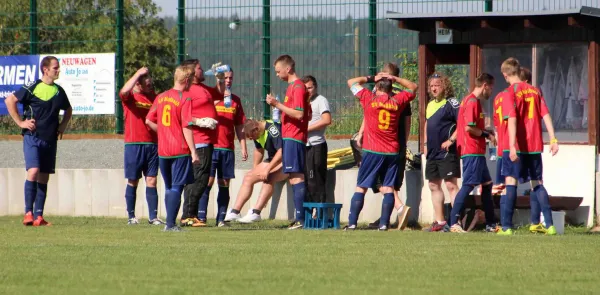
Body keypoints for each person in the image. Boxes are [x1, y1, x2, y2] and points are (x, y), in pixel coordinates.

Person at [344, 71, 417, 231]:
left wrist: (370, 77)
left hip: (372, 150)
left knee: (361, 187)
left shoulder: (369, 99)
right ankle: (384, 224)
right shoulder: (397, 101)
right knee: (389, 186)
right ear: (391, 90)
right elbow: (413, 87)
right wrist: (395, 78)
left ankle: (352, 223)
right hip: (391, 151)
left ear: (376, 87)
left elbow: (351, 81)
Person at [5, 55, 72, 226]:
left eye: (58, 67)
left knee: (44, 177)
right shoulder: (32, 87)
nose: (58, 70)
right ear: (45, 69)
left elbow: (69, 109)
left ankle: (39, 216)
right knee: (33, 170)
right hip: (32, 137)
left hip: (50, 140)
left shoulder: (59, 91)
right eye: (55, 67)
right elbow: (10, 100)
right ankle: (28, 213)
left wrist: (63, 125)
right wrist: (21, 122)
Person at [499, 59, 559, 235]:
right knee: (537, 183)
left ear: (505, 75)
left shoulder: (509, 92)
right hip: (534, 146)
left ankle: (506, 227)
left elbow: (512, 118)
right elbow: (546, 115)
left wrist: (511, 145)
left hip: (518, 146)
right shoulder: (535, 90)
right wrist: (553, 139)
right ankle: (550, 225)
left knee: (511, 182)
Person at [145, 65, 199, 232]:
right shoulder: (185, 98)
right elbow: (186, 126)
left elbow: (148, 120)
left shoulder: (161, 97)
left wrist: (163, 132)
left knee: (169, 187)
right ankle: (170, 225)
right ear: (187, 80)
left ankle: (170, 224)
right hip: (179, 149)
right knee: (177, 187)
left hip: (163, 150)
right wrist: (194, 151)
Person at [196, 68, 247, 227]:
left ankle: (221, 219)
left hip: (227, 149)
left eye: (230, 77)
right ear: (219, 79)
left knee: (224, 184)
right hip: (211, 147)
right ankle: (201, 217)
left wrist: (243, 146)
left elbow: (239, 126)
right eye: (225, 78)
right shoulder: (210, 98)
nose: (228, 80)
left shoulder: (235, 101)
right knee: (207, 182)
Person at [449, 73, 498, 234]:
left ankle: (491, 224)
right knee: (468, 185)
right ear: (484, 85)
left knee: (487, 184)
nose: (491, 91)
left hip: (477, 150)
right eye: (490, 88)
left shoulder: (471, 101)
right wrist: (487, 135)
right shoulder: (471, 102)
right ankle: (453, 222)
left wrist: (485, 131)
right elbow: (468, 128)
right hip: (472, 150)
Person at [265, 55, 310, 230]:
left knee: (296, 176)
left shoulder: (297, 87)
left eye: (278, 71)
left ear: (288, 69)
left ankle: (301, 220)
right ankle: (300, 219)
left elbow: (299, 114)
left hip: (294, 137)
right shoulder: (292, 87)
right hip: (290, 136)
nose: (277, 75)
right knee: (293, 176)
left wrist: (277, 104)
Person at [179, 59, 221, 227]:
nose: (203, 70)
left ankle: (192, 215)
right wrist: (200, 121)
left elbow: (220, 93)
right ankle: (187, 215)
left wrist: (220, 79)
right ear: (190, 72)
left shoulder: (204, 89)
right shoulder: (188, 91)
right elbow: (183, 115)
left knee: (202, 179)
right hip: (199, 141)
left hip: (208, 140)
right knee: (199, 180)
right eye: (199, 68)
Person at [119, 67, 162, 225]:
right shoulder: (130, 98)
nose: (150, 84)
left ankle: (153, 217)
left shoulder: (155, 99)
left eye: (150, 81)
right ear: (138, 82)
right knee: (133, 180)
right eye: (146, 81)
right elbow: (123, 91)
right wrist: (137, 73)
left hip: (152, 144)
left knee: (152, 180)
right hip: (134, 144)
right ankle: (131, 216)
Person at [223, 119, 289, 223]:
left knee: (269, 177)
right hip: (274, 159)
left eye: (251, 136)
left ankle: (256, 213)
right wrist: (255, 170)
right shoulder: (257, 133)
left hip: (287, 160)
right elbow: (259, 150)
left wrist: (267, 169)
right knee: (248, 177)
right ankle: (235, 212)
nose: (250, 139)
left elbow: (282, 152)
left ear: (256, 129)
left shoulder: (273, 129)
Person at [422, 72, 461, 232]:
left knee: (451, 185)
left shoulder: (452, 103)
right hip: (432, 152)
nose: (433, 89)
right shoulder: (430, 104)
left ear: (444, 86)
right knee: (433, 185)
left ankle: (456, 222)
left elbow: (462, 123)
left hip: (447, 152)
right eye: (431, 86)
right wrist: (424, 143)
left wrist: (451, 140)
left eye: (436, 85)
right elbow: (426, 124)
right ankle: (440, 221)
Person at [302, 75, 331, 211]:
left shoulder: (321, 100)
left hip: (317, 145)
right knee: (307, 179)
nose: (308, 91)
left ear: (315, 87)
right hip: (305, 145)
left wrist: (306, 129)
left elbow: (326, 120)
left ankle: (319, 211)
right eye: (305, 88)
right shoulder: (302, 102)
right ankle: (309, 212)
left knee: (317, 179)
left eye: (310, 87)